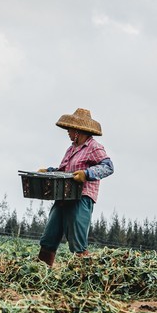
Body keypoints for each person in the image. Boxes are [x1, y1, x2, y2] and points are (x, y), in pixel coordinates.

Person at [36, 108, 114, 267]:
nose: (68, 132)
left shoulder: (94, 147)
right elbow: (65, 171)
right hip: (64, 197)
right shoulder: (71, 149)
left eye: (70, 129)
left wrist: (87, 174)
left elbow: (108, 167)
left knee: (77, 243)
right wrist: (49, 171)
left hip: (81, 197)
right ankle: (41, 271)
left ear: (78, 130)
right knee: (49, 237)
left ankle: (84, 276)